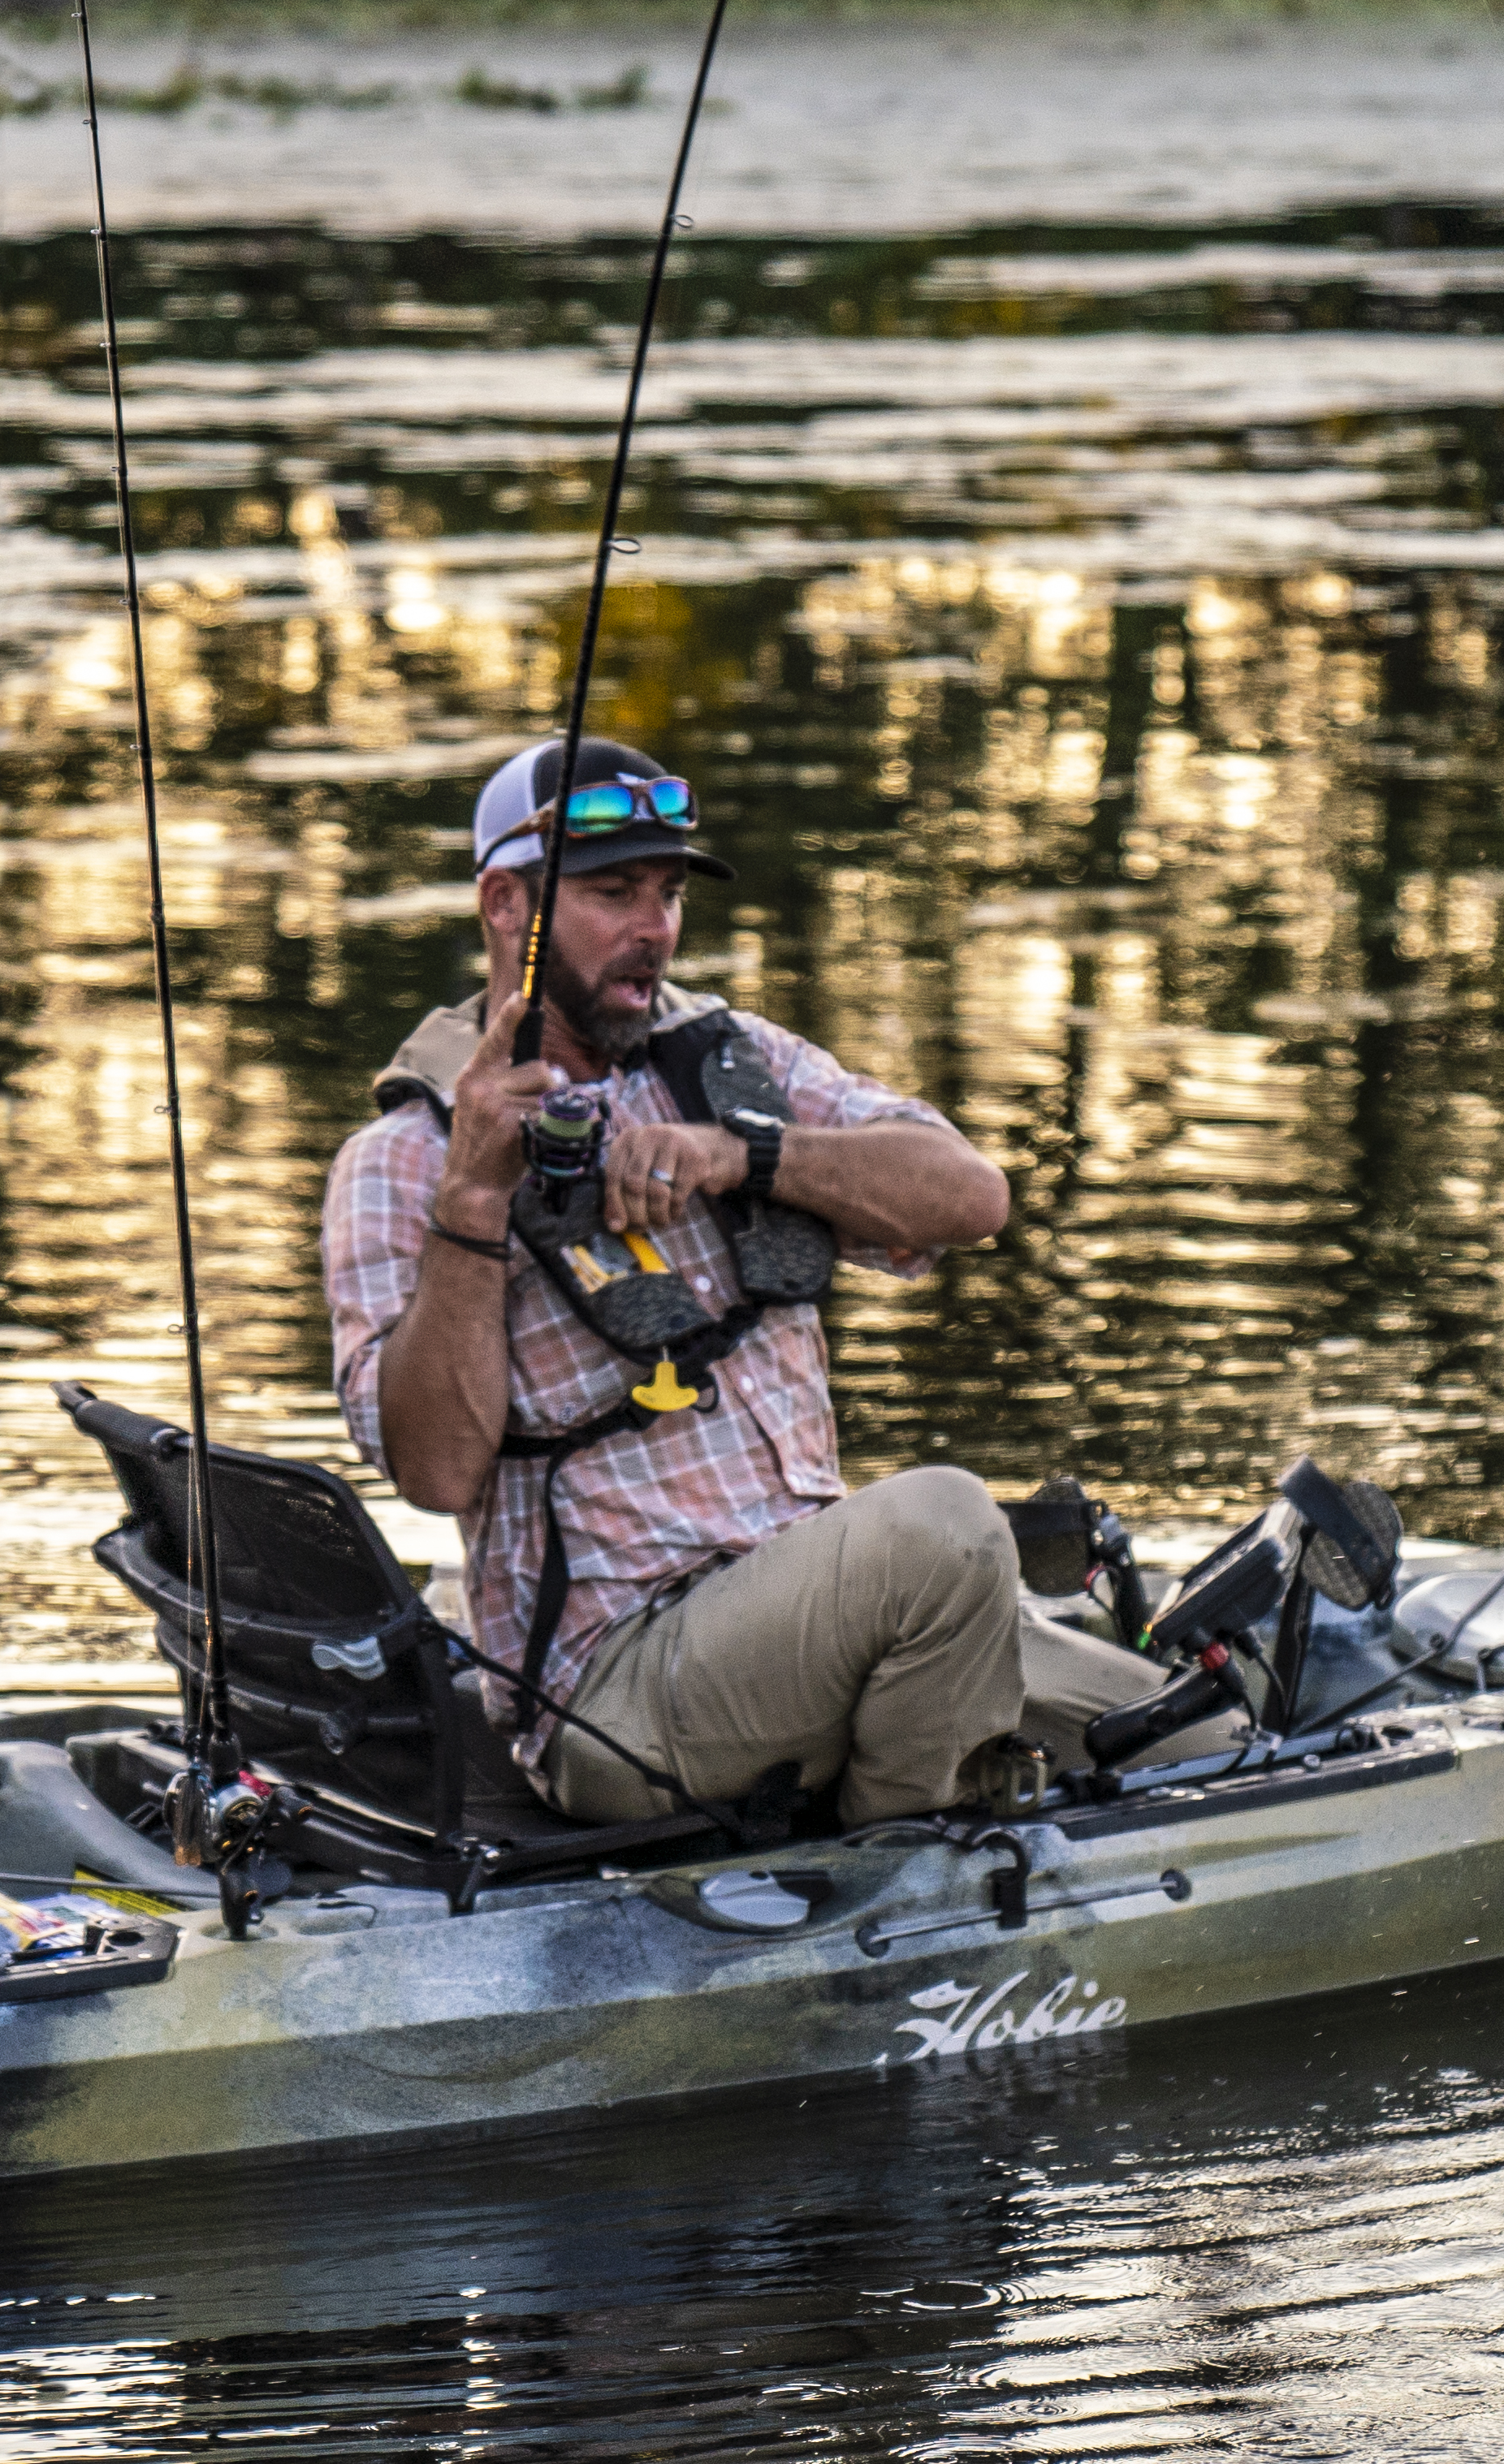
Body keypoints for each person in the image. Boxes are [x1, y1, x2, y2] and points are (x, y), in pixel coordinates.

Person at [320, 739, 1178, 1832]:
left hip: (807, 1613)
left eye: (670, 892)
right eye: (613, 891)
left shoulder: (722, 1063)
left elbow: (970, 1197)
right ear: (503, 903)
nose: (655, 926)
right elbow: (435, 1471)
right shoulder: (397, 1161)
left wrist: (751, 1158)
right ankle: (906, 1881)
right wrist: (476, 1198)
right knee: (950, 1531)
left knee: (1202, 1733)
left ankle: (913, 1794)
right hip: (617, 1692)